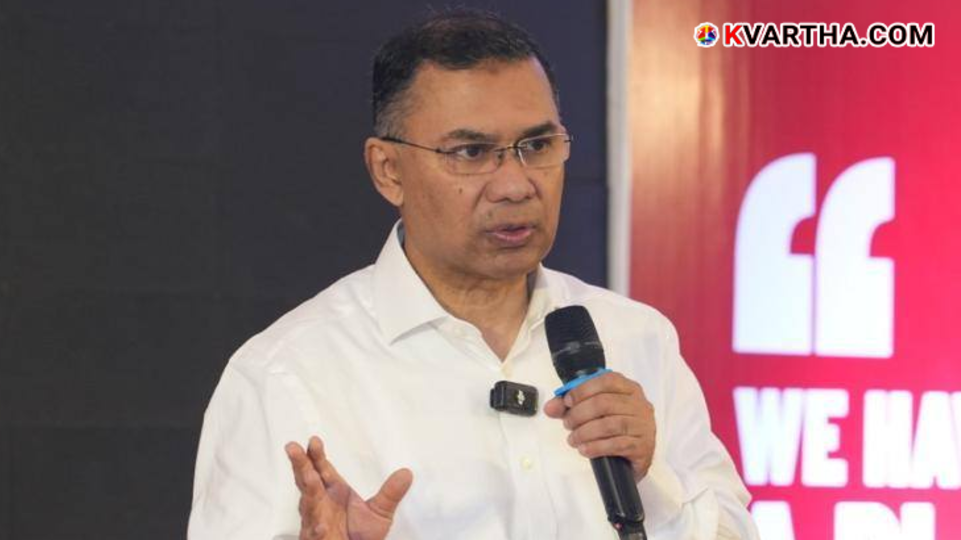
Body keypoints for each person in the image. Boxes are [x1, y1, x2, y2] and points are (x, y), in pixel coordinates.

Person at [188, 9, 758, 540]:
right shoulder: (288, 375)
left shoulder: (637, 338)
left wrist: (649, 477)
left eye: (537, 145)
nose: (515, 184)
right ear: (388, 171)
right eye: (470, 153)